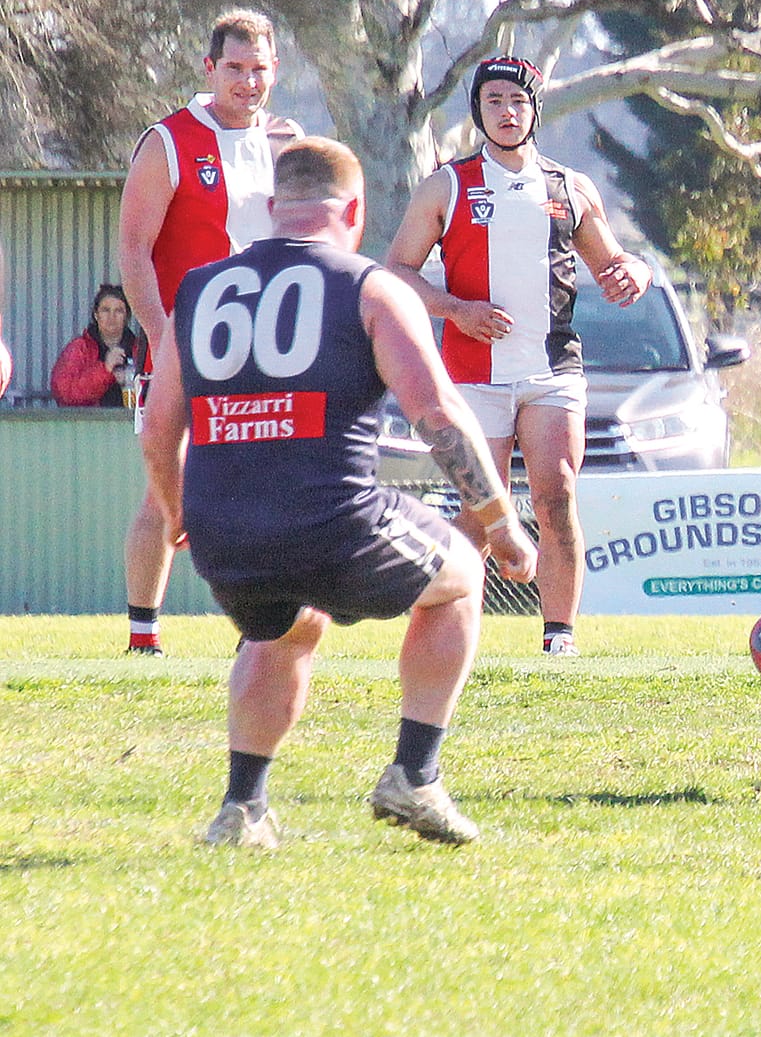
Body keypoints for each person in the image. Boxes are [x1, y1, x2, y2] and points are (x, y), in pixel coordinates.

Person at [138, 138, 537, 848]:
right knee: (461, 575)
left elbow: (159, 426)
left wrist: (177, 513)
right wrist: (501, 522)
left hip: (223, 533)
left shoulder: (198, 289)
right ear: (354, 211)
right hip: (332, 520)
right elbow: (439, 415)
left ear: (270, 209)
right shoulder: (371, 286)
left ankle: (242, 808)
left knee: (287, 626)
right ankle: (415, 774)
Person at [386, 54, 651, 657]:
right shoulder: (447, 184)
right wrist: (455, 309)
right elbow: (396, 271)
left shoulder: (568, 186)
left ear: (535, 109)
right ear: (478, 111)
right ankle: (445, 635)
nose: (507, 112)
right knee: (483, 506)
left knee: (556, 491)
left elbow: (613, 259)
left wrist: (630, 274)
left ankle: (559, 640)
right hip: (473, 376)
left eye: (518, 101)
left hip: (552, 371)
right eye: (494, 101)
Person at [118, 10, 302, 653]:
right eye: (235, 69)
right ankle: (144, 635)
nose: (248, 82)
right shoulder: (168, 141)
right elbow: (134, 251)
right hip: (183, 344)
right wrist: (161, 335)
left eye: (259, 70)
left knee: (270, 486)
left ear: (274, 71)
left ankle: (261, 631)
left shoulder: (289, 141)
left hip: (271, 344)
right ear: (209, 68)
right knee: (166, 490)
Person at [51, 284, 144, 408]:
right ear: (96, 315)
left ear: (127, 317)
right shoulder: (79, 348)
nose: (112, 317)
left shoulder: (140, 350)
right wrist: (105, 371)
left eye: (119, 311)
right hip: (90, 425)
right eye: (105, 310)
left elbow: (157, 392)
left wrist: (133, 383)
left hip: (134, 424)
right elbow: (64, 393)